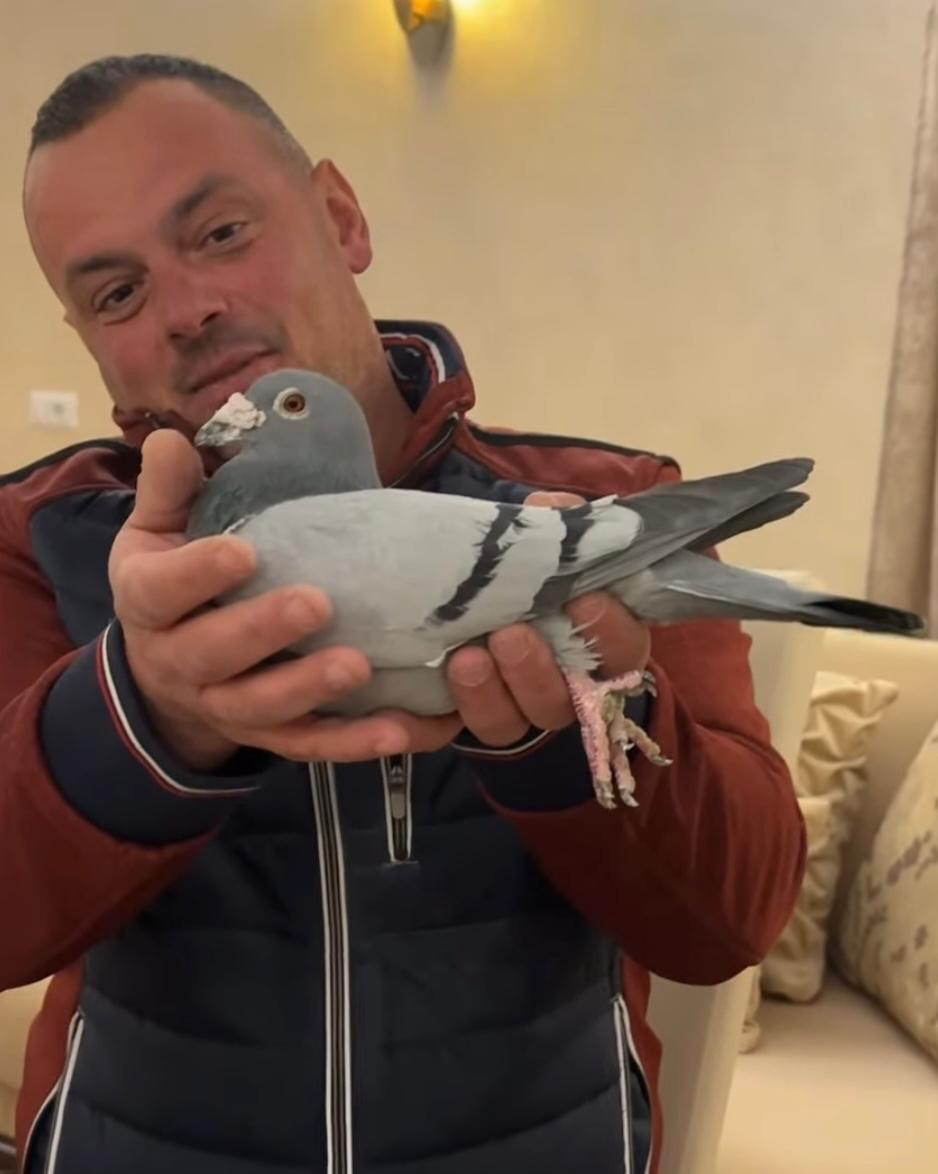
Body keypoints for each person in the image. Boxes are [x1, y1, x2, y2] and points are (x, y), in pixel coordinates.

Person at [1, 54, 805, 1174]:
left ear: (340, 217)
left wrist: (564, 724)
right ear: (88, 339)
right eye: (117, 294)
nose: (188, 310)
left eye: (221, 232)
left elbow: (732, 920)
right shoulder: (35, 539)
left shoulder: (600, 497)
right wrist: (140, 718)